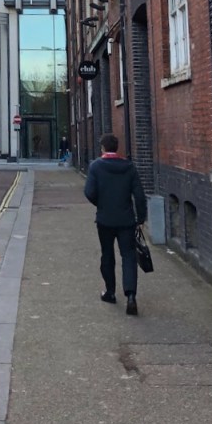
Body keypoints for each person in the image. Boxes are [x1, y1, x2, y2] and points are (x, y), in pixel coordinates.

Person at [84, 133, 147, 316]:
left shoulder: (96, 166)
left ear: (103, 148)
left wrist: (102, 204)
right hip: (126, 220)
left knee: (107, 255)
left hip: (105, 219)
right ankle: (131, 296)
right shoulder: (129, 167)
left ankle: (110, 292)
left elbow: (89, 192)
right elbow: (140, 196)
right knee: (128, 256)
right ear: (116, 148)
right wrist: (141, 219)